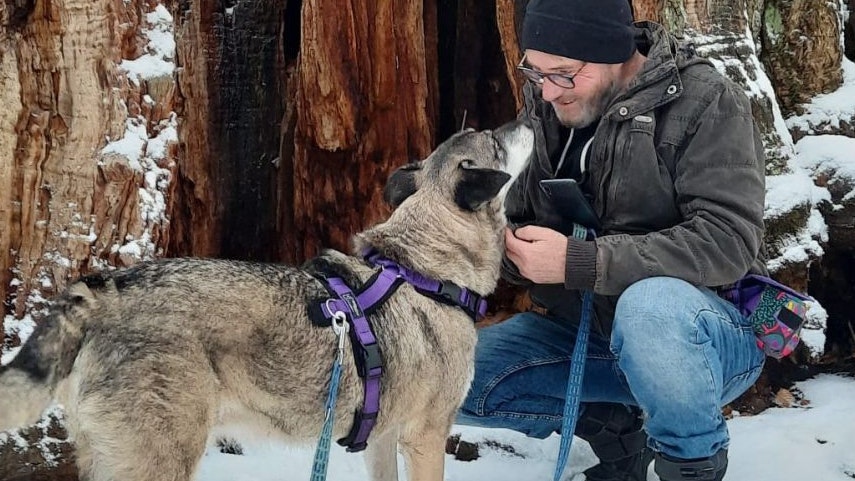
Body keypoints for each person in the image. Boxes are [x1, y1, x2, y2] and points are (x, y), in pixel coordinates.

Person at [455, 0, 768, 480]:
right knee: (449, 379)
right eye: (536, 72)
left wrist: (580, 262)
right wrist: (513, 249)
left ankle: (689, 465)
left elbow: (727, 241)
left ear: (614, 52)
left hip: (704, 339)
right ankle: (615, 425)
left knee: (650, 309)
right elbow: (512, 213)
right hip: (586, 335)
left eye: (563, 73)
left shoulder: (706, 101)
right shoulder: (547, 102)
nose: (549, 90)